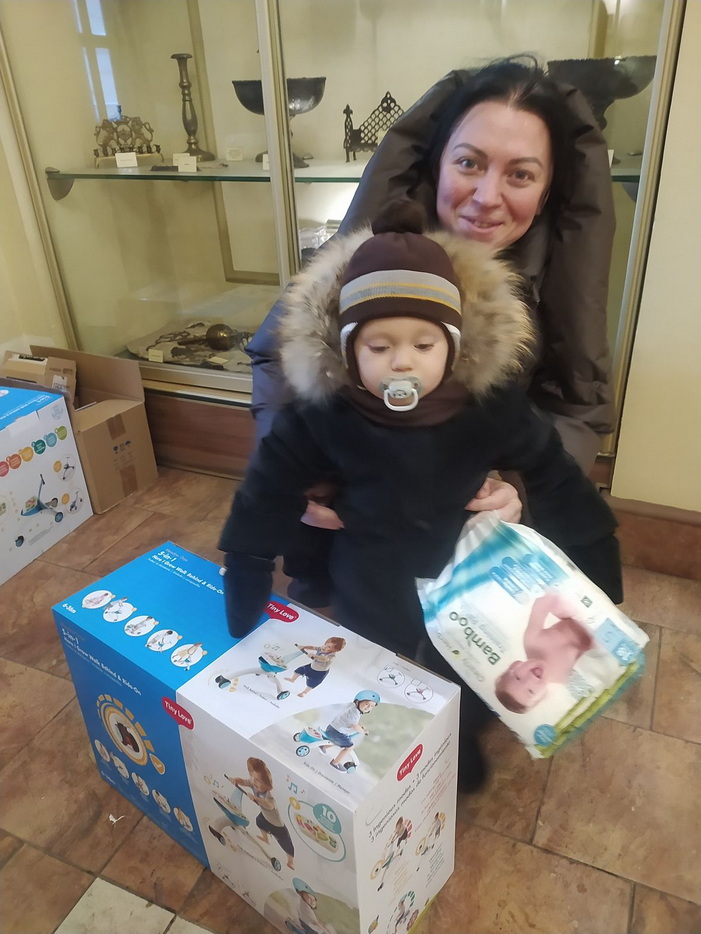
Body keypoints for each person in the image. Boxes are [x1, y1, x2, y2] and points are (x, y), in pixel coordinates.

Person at [219, 200, 622, 789]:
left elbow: (555, 475)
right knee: (372, 654)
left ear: (453, 347)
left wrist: (598, 574)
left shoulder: (488, 408)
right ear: (349, 351)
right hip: (368, 564)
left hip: (459, 566)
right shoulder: (325, 414)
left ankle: (455, 741)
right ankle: (374, 740)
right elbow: (267, 486)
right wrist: (247, 568)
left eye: (423, 345)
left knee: (466, 663)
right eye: (379, 347)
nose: (401, 362)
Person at [245, 55, 614, 609]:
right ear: (437, 164)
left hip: (468, 551)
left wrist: (518, 491)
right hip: (354, 535)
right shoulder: (360, 264)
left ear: (547, 191)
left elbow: (575, 406)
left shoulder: (555, 286)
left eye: (520, 174)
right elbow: (278, 361)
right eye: (469, 163)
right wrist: (301, 478)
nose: (487, 196)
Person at [494, 589, 594, 713]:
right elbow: (589, 663)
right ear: (543, 694)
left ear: (515, 665)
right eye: (531, 691)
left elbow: (539, 609)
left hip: (576, 617)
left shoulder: (532, 641)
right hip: (594, 635)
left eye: (518, 678)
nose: (530, 679)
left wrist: (551, 594)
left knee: (559, 604)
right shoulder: (562, 677)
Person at [228, 757, 295, 869]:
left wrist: (256, 798)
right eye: (251, 776)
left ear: (267, 785)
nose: (253, 781)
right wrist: (236, 780)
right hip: (264, 817)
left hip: (277, 824)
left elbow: (270, 805)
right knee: (259, 821)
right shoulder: (254, 785)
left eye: (258, 780)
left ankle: (290, 861)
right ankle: (265, 838)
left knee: (285, 842)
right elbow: (244, 781)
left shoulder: (268, 795)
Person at [319, 690, 380, 771]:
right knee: (350, 747)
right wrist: (363, 731)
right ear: (358, 702)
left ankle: (323, 747)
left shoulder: (354, 710)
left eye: (372, 706)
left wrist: (360, 726)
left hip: (332, 728)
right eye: (367, 704)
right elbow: (354, 725)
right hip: (337, 732)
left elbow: (352, 722)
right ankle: (335, 763)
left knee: (339, 741)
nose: (369, 707)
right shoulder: (355, 713)